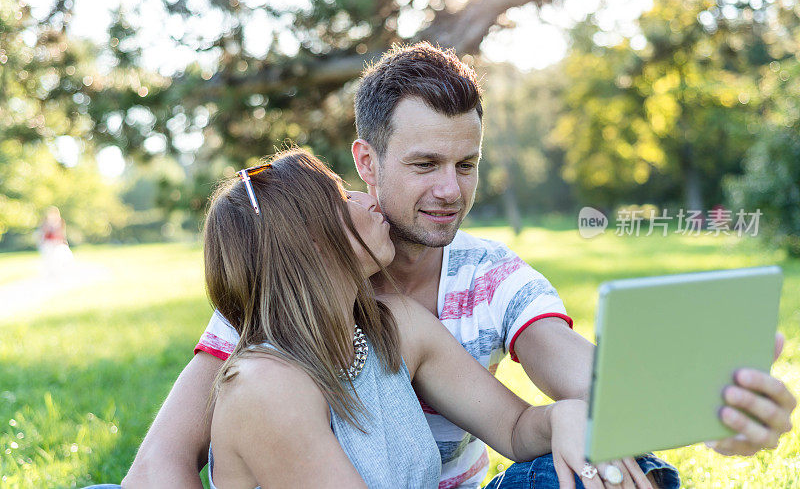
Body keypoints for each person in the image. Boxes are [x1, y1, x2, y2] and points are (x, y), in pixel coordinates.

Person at [122, 43, 795, 489]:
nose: (451, 190)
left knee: (617, 460)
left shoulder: (433, 306)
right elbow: (161, 461)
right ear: (366, 163)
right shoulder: (270, 311)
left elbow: (575, 388)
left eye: (465, 164)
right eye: (424, 165)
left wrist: (705, 401)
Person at [201, 148, 594, 488]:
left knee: (602, 468)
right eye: (341, 199)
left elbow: (513, 428)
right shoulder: (263, 387)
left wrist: (563, 417)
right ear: (308, 244)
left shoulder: (396, 324)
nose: (367, 199)